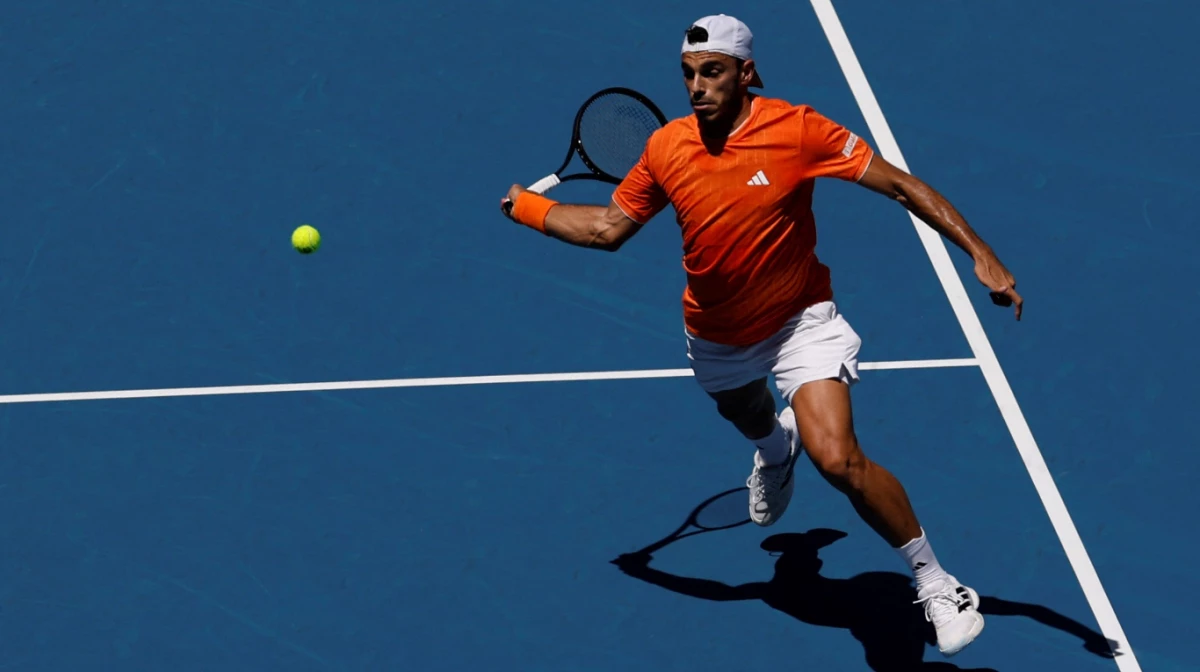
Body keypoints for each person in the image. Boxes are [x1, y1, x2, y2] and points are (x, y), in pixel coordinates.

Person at [499, 13, 1022, 658]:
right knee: (746, 413)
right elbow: (608, 228)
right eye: (688, 74)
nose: (697, 86)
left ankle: (937, 581)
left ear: (746, 72)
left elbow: (902, 185)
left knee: (838, 459)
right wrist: (529, 209)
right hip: (718, 333)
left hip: (801, 320)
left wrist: (980, 252)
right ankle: (775, 451)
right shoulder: (666, 147)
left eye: (712, 72)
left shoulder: (798, 130)